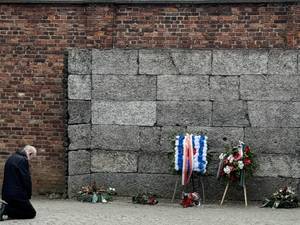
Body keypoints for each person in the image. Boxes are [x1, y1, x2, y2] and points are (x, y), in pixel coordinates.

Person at [0, 145, 37, 220]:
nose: (29, 160)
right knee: (31, 213)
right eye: (31, 157)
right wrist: (28, 195)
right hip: (17, 195)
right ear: (30, 153)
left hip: (7, 194)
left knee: (19, 209)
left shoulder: (12, 157)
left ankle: (6, 208)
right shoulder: (23, 160)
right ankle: (5, 209)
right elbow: (26, 179)